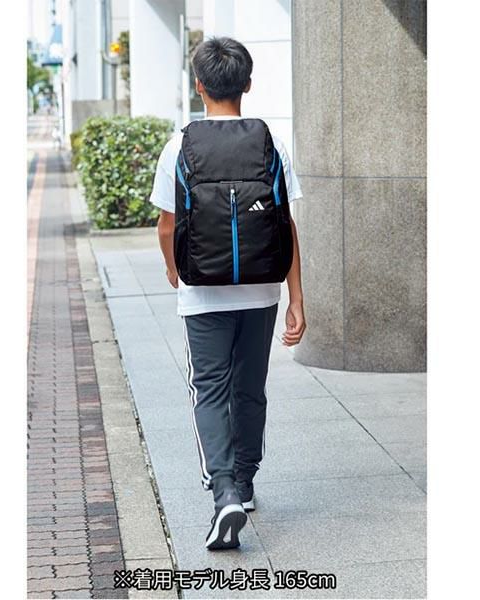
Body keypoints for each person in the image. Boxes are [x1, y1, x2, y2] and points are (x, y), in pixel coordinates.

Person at [149, 37, 306, 550]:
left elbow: (166, 224)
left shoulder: (179, 145)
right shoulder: (270, 142)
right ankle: (245, 480)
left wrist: (175, 269)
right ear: (248, 84)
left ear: (199, 85)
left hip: (203, 296)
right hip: (261, 291)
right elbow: (286, 224)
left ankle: (225, 495)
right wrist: (296, 299)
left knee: (209, 390)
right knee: (250, 389)